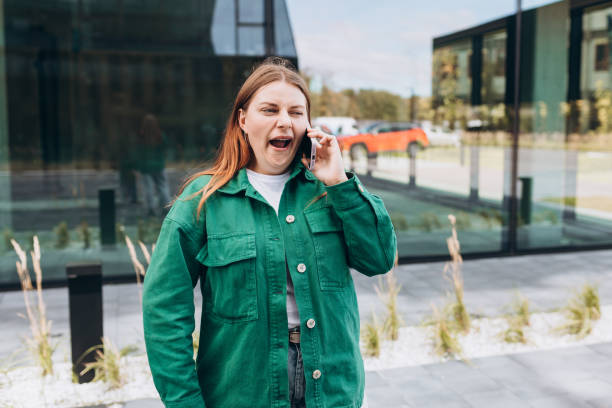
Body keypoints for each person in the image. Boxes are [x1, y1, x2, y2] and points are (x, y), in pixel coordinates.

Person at [142, 57, 396, 408]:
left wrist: (340, 182)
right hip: (243, 391)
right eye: (269, 109)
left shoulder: (331, 190)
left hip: (332, 390)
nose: (283, 122)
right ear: (243, 119)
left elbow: (380, 259)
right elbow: (164, 312)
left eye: (295, 112)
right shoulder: (203, 201)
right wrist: (185, 402)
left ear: (308, 123)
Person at [137, 113, 171, 216]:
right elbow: (165, 148)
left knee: (148, 188)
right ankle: (166, 207)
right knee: (162, 186)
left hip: (146, 166)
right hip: (159, 165)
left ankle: (150, 208)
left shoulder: (142, 136)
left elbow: (138, 151)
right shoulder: (160, 135)